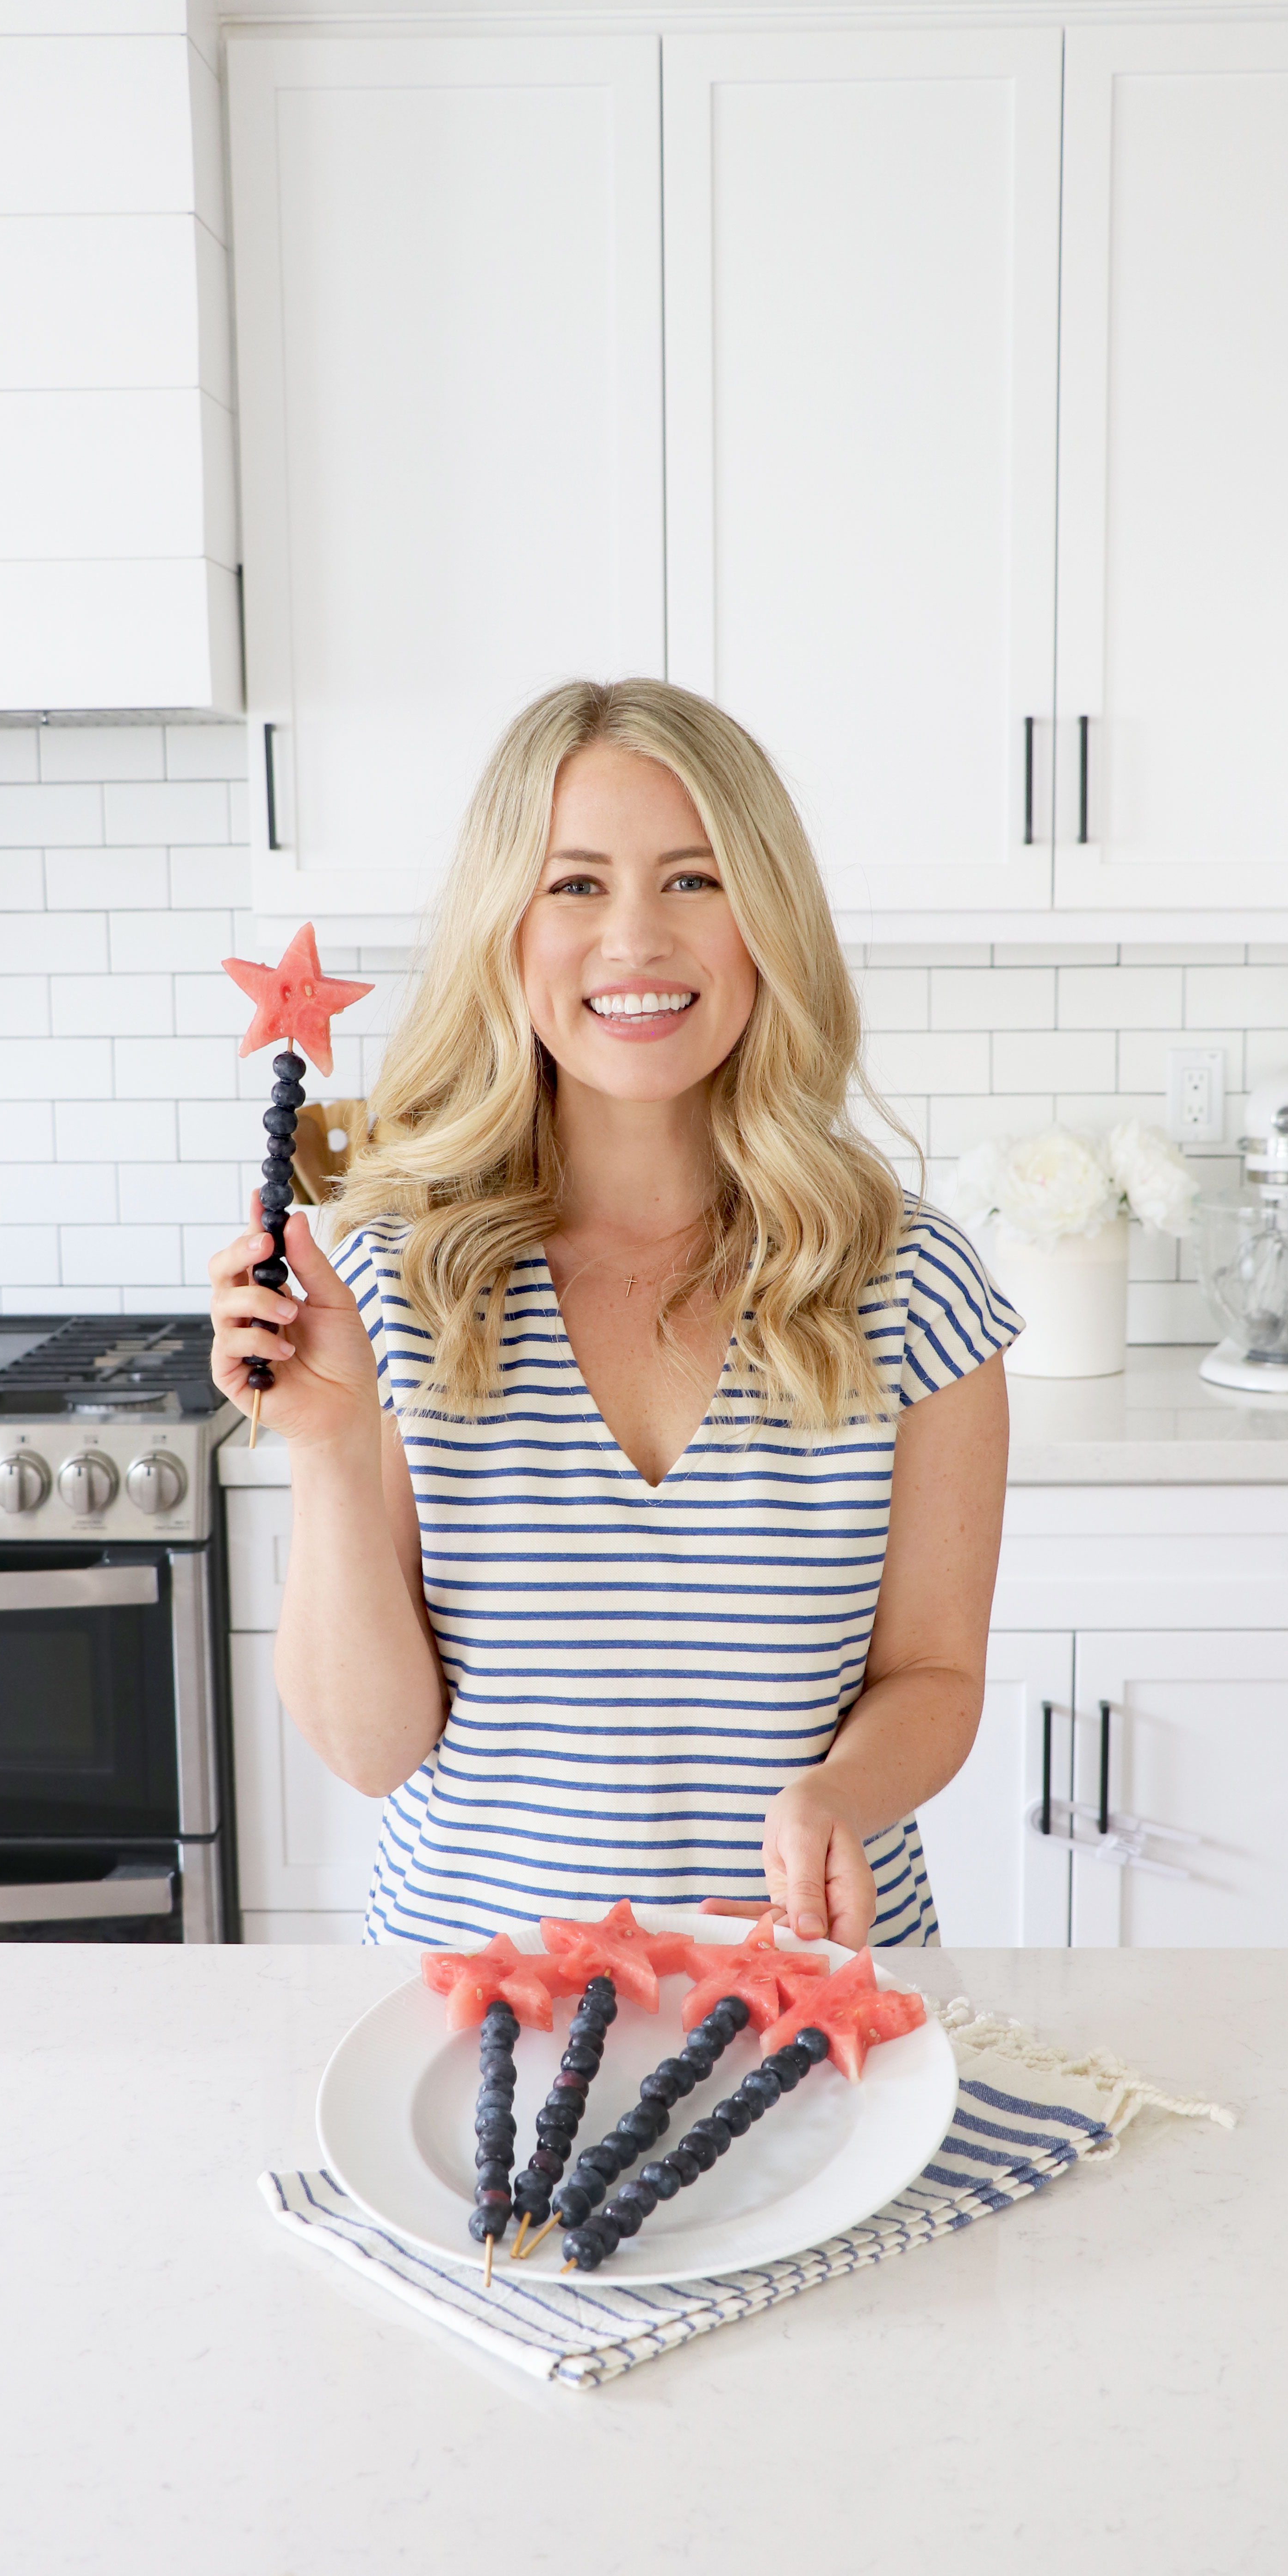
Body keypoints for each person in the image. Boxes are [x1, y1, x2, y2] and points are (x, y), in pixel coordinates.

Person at [208, 680, 1017, 1948]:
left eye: (694, 880)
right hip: (472, 2016)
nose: (634, 939)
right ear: (506, 929)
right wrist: (325, 1443)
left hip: (808, 1995)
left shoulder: (913, 1281)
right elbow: (373, 1752)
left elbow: (936, 1676)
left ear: (768, 920)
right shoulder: (392, 1281)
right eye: (575, 885)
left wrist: (835, 1795)